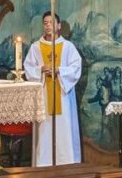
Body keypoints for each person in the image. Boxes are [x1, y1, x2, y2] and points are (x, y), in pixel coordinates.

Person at [23, 11, 81, 166]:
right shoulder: (36, 47)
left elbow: (76, 68)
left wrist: (59, 70)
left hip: (62, 94)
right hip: (44, 95)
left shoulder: (68, 47)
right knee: (44, 132)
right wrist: (40, 70)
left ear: (59, 25)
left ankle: (66, 165)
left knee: (64, 132)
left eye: (51, 22)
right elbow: (28, 68)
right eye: (45, 23)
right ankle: (44, 166)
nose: (48, 25)